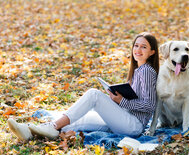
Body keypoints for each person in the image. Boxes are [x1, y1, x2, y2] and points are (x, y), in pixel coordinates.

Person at [7, 32, 159, 141]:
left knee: (94, 94)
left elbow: (150, 105)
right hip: (123, 118)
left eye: (144, 47)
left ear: (152, 52)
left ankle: (50, 127)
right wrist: (116, 98)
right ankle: (30, 130)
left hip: (133, 125)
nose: (138, 50)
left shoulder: (147, 71)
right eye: (136, 45)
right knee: (78, 120)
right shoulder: (138, 70)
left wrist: (121, 101)